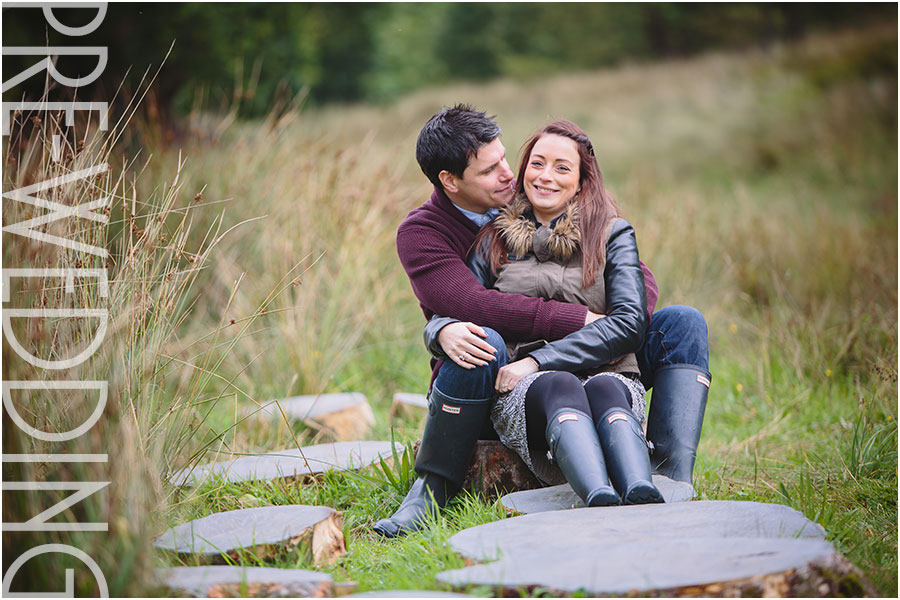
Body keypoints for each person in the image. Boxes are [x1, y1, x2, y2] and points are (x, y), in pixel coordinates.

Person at [373, 105, 710, 538]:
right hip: (493, 371)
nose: (509, 175)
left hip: (597, 354)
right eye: (490, 170)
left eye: (504, 159)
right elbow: (471, 304)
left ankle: (669, 472)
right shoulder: (427, 232)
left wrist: (615, 320)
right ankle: (433, 486)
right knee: (481, 337)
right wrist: (440, 329)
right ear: (450, 181)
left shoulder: (548, 202)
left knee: (681, 323)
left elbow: (639, 281)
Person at [427, 119, 663, 507]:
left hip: (606, 373)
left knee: (605, 387)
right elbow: (455, 308)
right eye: (536, 164)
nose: (545, 176)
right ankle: (598, 495)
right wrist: (439, 332)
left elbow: (630, 324)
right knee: (560, 385)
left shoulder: (613, 234)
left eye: (562, 167)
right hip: (524, 389)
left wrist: (539, 359)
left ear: (583, 181)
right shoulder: (493, 241)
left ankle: (641, 488)